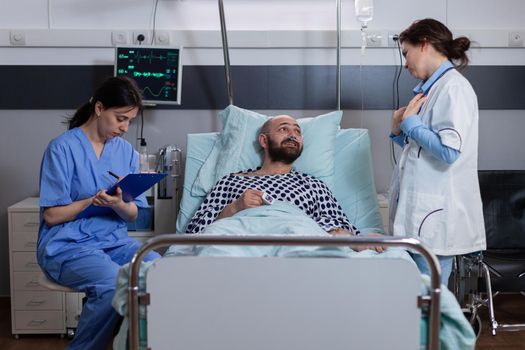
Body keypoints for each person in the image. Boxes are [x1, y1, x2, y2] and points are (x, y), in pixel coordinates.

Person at [37, 76, 160, 350]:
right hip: (68, 246)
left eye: (129, 120)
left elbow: (132, 215)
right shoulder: (62, 148)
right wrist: (90, 202)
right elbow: (52, 216)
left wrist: (117, 203)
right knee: (110, 284)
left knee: (156, 269)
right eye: (120, 118)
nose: (125, 127)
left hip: (113, 242)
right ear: (100, 108)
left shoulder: (125, 152)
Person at [388, 18, 486, 284]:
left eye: (406, 54)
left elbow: (449, 152)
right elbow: (421, 153)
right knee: (419, 298)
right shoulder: (432, 90)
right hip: (423, 216)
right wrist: (399, 131)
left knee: (429, 301)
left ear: (424, 44)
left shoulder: (453, 88)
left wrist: (411, 123)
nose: (405, 63)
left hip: (434, 217)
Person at [186, 114, 374, 244]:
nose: (293, 135)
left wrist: (358, 239)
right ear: (264, 141)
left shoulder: (313, 185)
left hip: (295, 239)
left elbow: (340, 226)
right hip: (238, 239)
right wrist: (235, 207)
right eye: (284, 129)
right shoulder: (232, 181)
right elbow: (195, 232)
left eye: (298, 132)